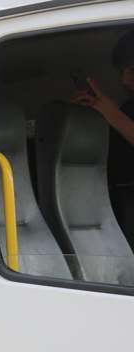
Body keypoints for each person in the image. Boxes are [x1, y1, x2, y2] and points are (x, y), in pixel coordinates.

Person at [71, 29, 134, 249]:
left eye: (132, 70)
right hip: (117, 201)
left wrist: (113, 116)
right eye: (121, 71)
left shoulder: (120, 112)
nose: (124, 80)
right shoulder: (127, 108)